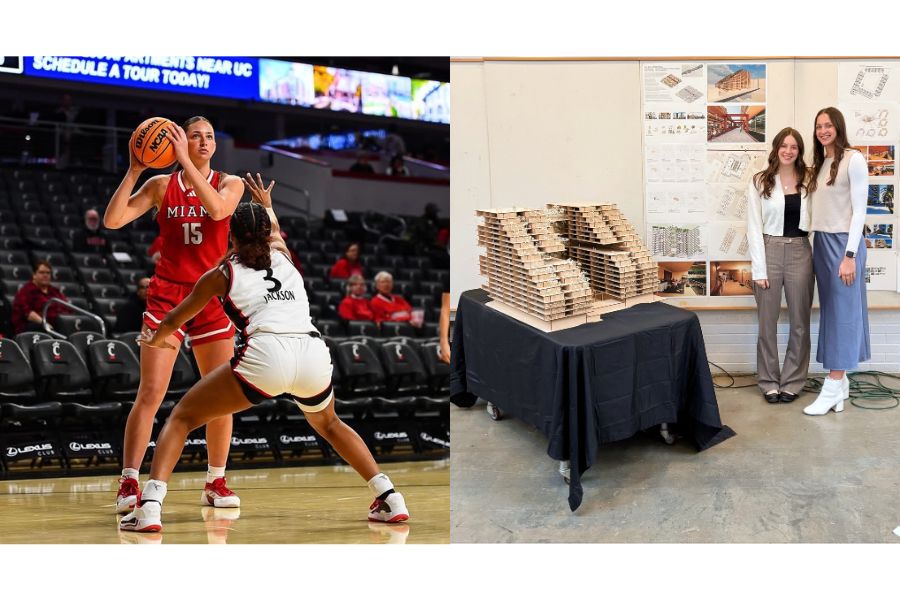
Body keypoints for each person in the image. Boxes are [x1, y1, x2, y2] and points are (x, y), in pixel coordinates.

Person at [119, 176, 409, 533]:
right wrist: (267, 205)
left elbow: (177, 317)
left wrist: (154, 335)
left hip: (268, 353)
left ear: (231, 235)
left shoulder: (221, 273)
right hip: (312, 353)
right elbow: (275, 231)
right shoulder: (285, 258)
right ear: (267, 234)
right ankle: (389, 497)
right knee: (331, 424)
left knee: (181, 418)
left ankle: (148, 508)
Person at [104, 115, 245, 513]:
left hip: (213, 295)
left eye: (209, 137)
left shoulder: (229, 184)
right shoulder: (161, 184)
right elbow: (114, 220)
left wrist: (183, 160)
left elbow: (218, 212)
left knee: (221, 398)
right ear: (181, 140)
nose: (202, 142)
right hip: (167, 296)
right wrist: (134, 169)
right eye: (194, 136)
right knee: (150, 393)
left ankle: (215, 480)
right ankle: (129, 482)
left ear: (215, 146)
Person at [803, 107, 871, 416]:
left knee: (843, 314)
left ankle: (832, 385)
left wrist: (850, 256)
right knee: (832, 313)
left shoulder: (853, 159)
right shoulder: (820, 163)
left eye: (828, 125)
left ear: (838, 127)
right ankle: (840, 385)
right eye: (819, 126)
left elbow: (860, 210)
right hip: (822, 242)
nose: (823, 130)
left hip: (845, 245)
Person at [747, 127, 813, 404]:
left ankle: (793, 382)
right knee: (767, 323)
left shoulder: (810, 179)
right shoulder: (760, 181)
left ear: (799, 151)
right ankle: (769, 381)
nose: (789, 150)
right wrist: (759, 269)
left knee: (800, 322)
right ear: (775, 148)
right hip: (769, 249)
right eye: (784, 145)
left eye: (794, 146)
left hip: (800, 250)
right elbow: (752, 226)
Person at [11, 261, 72, 334]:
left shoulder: (55, 291)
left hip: (56, 323)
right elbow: (27, 313)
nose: (45, 275)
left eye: (48, 273)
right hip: (34, 325)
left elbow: (67, 307)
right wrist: (44, 323)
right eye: (42, 272)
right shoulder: (26, 291)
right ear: (34, 275)